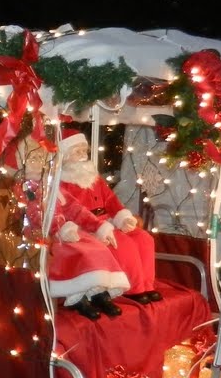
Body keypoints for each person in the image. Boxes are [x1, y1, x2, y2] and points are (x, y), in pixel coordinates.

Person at [7, 137, 129, 320]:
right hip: (42, 235)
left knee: (95, 246)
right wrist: (60, 228)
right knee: (79, 252)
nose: (39, 163)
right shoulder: (25, 189)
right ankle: (77, 296)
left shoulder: (52, 185)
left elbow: (75, 208)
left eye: (42, 158)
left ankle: (97, 293)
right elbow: (35, 215)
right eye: (33, 159)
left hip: (64, 231)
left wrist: (98, 226)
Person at [57, 129, 161, 305]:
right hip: (86, 227)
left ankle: (146, 285)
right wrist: (99, 226)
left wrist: (123, 217)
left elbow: (111, 200)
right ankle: (133, 288)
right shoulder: (62, 183)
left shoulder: (93, 177)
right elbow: (72, 212)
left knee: (144, 238)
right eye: (77, 151)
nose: (83, 155)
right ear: (65, 156)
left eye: (84, 150)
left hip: (107, 221)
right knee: (124, 244)